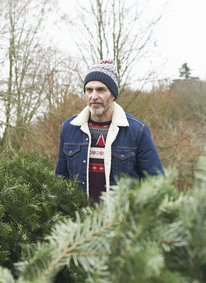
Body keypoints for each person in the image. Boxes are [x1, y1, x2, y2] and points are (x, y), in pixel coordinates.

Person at [55, 59, 164, 202]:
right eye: (89, 90)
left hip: (121, 220)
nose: (94, 96)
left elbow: (156, 182)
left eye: (101, 90)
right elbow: (60, 181)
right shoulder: (70, 128)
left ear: (113, 95)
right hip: (80, 221)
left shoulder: (137, 131)